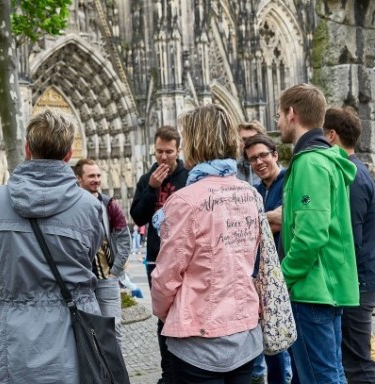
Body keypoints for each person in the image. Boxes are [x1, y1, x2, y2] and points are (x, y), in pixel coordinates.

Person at [0, 110, 104, 383]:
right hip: (71, 333)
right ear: (69, 154)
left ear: (27, 149)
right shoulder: (90, 207)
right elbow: (90, 255)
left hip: (11, 337)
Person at [152, 104, 265, 383]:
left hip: (197, 340)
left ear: (193, 142)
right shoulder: (251, 195)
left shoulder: (185, 200)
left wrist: (167, 313)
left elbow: (167, 277)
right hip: (244, 332)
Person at [277, 83, 359, 384]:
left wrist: (281, 278)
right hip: (328, 286)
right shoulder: (327, 159)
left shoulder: (310, 163)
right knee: (331, 374)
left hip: (312, 290)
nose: (278, 123)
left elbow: (311, 235)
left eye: (279, 115)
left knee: (321, 378)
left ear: (292, 113)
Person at [130, 125, 188, 384]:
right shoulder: (147, 179)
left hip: (186, 257)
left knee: (186, 313)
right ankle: (168, 375)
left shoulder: (189, 177)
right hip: (156, 257)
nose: (163, 157)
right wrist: (151, 188)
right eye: (159, 152)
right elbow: (138, 216)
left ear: (178, 150)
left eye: (168, 152)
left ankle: (187, 371)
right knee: (163, 318)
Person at [323, 106, 375, 384]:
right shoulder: (355, 170)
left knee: (357, 363)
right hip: (358, 280)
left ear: (331, 136)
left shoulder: (352, 176)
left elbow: (350, 241)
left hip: (357, 283)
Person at [244, 134, 293, 384]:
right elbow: (270, 221)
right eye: (253, 159)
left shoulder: (289, 182)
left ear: (275, 154)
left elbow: (283, 219)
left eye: (263, 155)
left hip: (287, 273)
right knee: (270, 346)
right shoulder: (256, 190)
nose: (259, 162)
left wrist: (257, 220)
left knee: (291, 348)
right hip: (262, 276)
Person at [75, 158, 131, 348]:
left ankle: (116, 375)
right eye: (91, 176)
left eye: (98, 175)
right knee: (85, 332)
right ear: (78, 179)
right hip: (80, 279)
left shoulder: (109, 205)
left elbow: (124, 238)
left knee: (113, 328)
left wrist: (115, 271)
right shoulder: (70, 206)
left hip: (106, 277)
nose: (96, 179)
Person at [237, 121, 265, 185]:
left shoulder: (269, 168)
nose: (247, 143)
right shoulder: (231, 170)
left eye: (252, 139)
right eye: (244, 139)